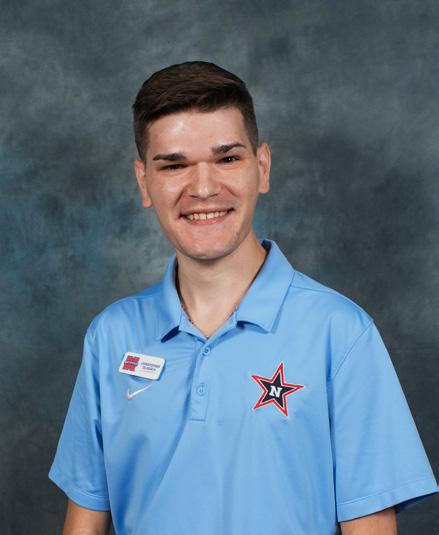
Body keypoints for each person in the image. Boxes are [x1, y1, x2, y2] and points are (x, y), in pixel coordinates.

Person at [49, 61, 438, 535]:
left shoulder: (340, 333)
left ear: (262, 167)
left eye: (227, 159)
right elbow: (83, 525)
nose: (203, 188)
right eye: (174, 165)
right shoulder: (111, 337)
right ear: (144, 182)